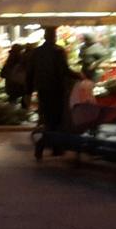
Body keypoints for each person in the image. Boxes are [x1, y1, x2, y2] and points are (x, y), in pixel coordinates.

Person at [29, 26, 72, 156]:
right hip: (57, 89)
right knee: (57, 119)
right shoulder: (59, 51)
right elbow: (64, 70)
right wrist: (78, 75)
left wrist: (29, 90)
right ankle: (51, 146)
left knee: (47, 118)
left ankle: (46, 146)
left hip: (42, 89)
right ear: (54, 37)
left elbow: (30, 72)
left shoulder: (37, 52)